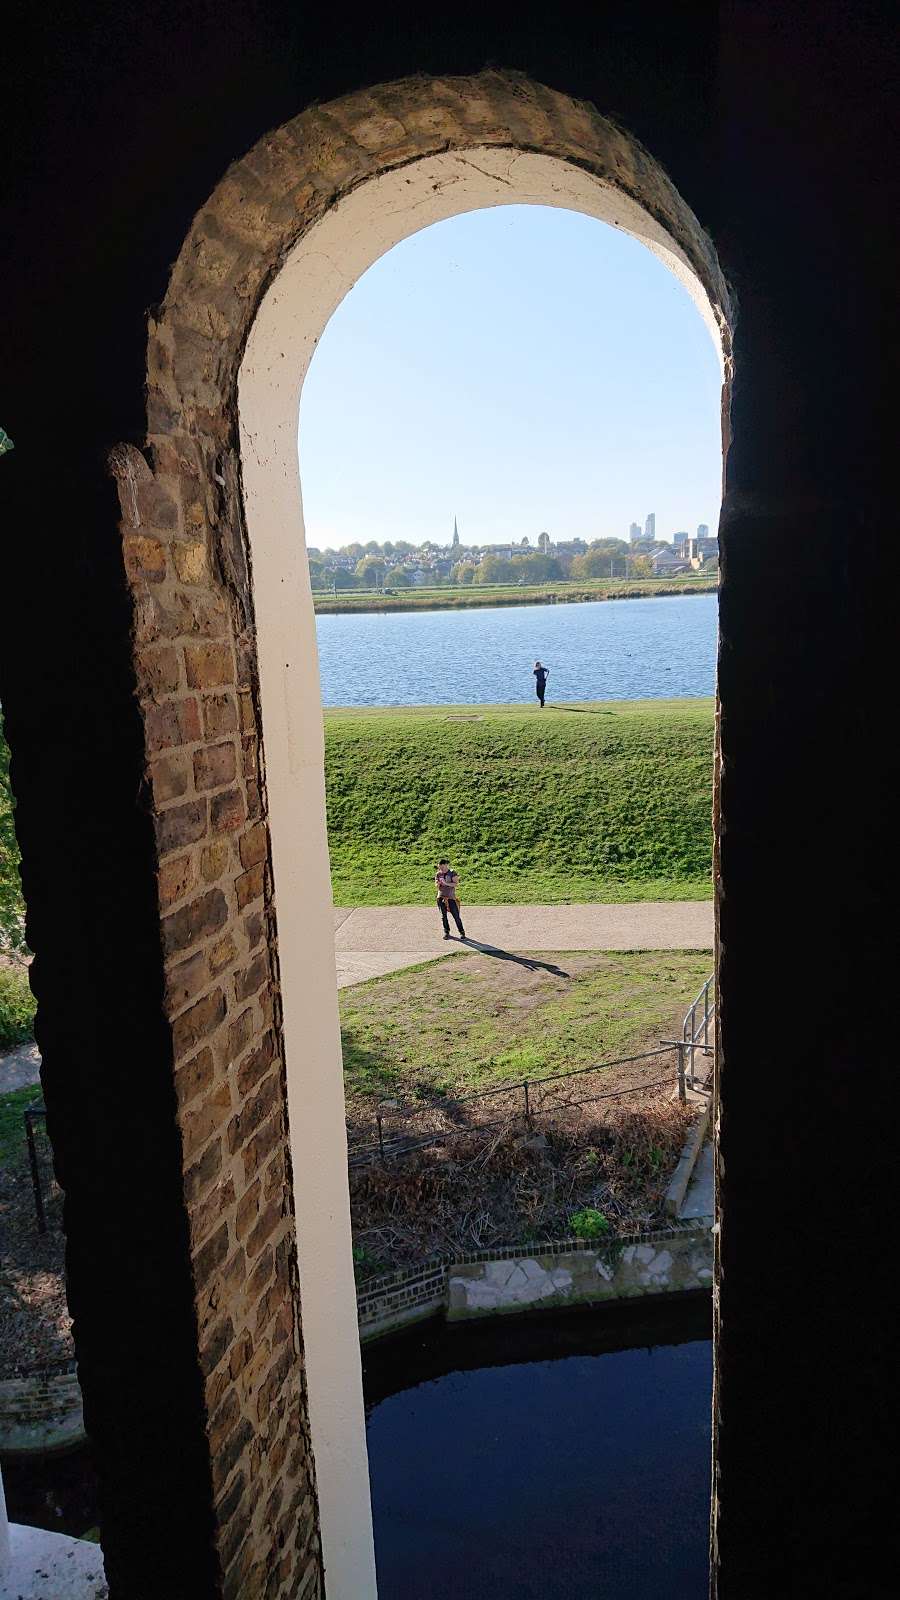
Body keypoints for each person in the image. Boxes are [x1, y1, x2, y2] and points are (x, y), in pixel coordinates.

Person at [434, 858, 466, 940]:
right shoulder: (438, 874)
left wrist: (446, 883)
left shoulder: (452, 873)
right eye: (439, 867)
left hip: (451, 898)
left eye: (441, 867)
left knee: (456, 916)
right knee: (443, 916)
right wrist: (438, 884)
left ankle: (462, 932)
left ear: (445, 865)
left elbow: (456, 884)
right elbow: (436, 884)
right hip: (441, 897)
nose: (440, 869)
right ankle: (446, 932)